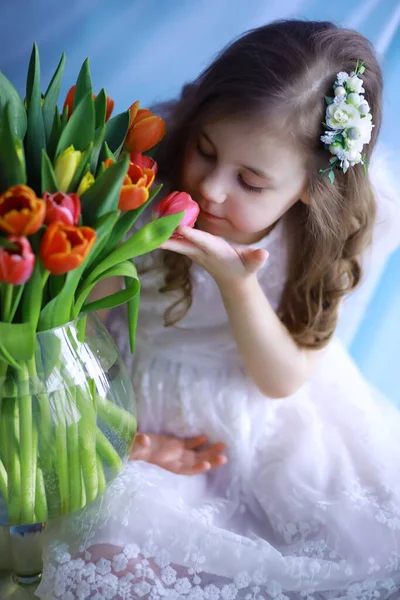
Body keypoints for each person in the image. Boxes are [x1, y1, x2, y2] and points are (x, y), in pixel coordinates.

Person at [37, 19, 400, 600]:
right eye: (205, 150)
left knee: (347, 551)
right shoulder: (143, 171)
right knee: (108, 551)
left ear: (310, 188)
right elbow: (74, 319)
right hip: (132, 405)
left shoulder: (322, 236)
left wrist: (236, 284)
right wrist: (118, 438)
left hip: (257, 419)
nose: (212, 189)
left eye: (251, 182)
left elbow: (282, 380)